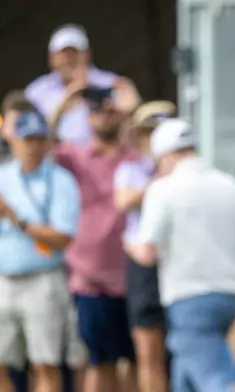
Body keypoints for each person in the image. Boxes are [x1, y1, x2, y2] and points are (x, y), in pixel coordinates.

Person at [132, 118, 235, 392]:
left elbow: (146, 252)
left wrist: (129, 246)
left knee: (215, 381)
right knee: (184, 376)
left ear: (165, 155)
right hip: (228, 297)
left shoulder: (162, 189)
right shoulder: (230, 185)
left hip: (188, 299)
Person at [54, 85, 138, 392]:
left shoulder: (135, 156)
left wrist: (130, 107)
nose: (104, 114)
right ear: (87, 118)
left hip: (132, 276)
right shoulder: (76, 155)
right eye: (96, 110)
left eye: (109, 109)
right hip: (90, 280)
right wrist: (67, 100)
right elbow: (41, 142)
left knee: (135, 363)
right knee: (98, 363)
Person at [0, 110, 82, 392]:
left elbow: (61, 236)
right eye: (28, 140)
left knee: (45, 364)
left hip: (42, 281)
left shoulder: (61, 180)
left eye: (39, 139)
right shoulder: (3, 177)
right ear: (15, 142)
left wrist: (16, 218)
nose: (34, 146)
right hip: (4, 281)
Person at [115, 101, 176, 392]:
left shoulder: (183, 171)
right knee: (148, 351)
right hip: (144, 263)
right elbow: (124, 200)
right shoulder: (131, 169)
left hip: (178, 261)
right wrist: (160, 180)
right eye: (149, 133)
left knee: (179, 349)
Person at [26, 24, 136, 146]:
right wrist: (67, 98)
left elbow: (131, 117)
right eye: (63, 54)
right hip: (58, 157)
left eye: (74, 53)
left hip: (103, 156)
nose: (68, 60)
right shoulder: (36, 91)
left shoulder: (111, 83)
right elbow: (29, 134)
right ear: (52, 58)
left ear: (87, 54)